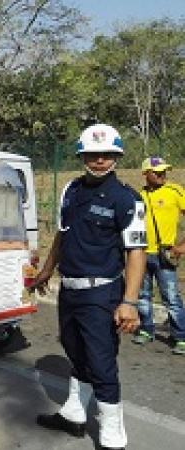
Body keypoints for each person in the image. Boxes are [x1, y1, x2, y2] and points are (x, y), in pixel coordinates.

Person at [30, 124, 146, 450]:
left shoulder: (127, 199)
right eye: (93, 154)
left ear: (116, 156)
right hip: (70, 289)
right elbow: (63, 234)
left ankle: (112, 438)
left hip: (101, 293)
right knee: (75, 352)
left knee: (101, 362)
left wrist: (130, 302)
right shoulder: (71, 190)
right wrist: (47, 270)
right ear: (82, 155)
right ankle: (74, 415)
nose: (99, 160)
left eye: (106, 154)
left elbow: (136, 251)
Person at [132, 156, 185, 355]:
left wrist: (181, 247)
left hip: (165, 255)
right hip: (142, 254)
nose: (162, 175)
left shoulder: (175, 191)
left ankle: (180, 336)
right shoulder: (137, 196)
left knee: (171, 297)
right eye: (157, 172)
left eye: (164, 171)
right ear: (146, 174)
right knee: (143, 295)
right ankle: (147, 330)